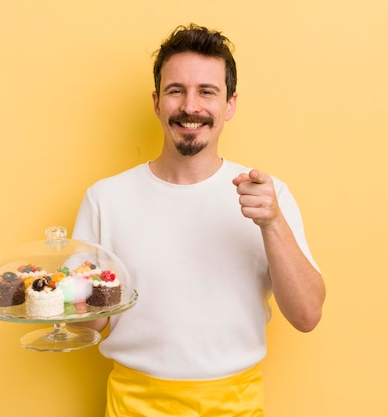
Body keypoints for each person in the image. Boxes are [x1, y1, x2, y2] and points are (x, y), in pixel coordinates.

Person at [71, 23, 326, 417]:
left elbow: (307, 316)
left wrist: (273, 223)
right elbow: (86, 325)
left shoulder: (267, 198)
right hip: (132, 406)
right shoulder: (106, 199)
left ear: (230, 104)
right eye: (177, 91)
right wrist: (51, 297)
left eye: (207, 91)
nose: (191, 106)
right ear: (157, 102)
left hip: (235, 407)